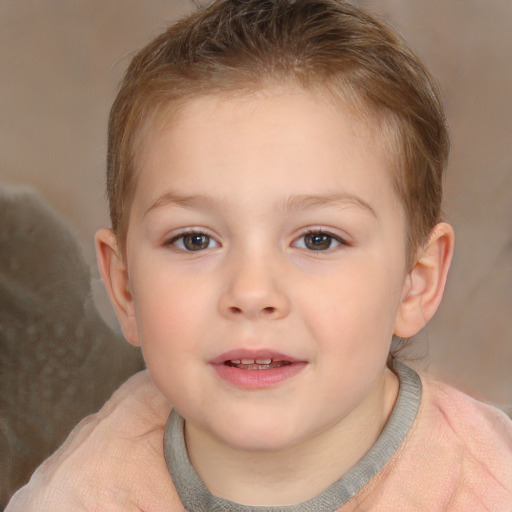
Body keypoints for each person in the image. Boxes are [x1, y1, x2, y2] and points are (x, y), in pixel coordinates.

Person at [6, 0, 512, 510]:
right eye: (194, 240)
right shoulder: (81, 493)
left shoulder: (489, 487)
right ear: (125, 286)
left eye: (318, 239)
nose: (251, 292)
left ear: (415, 281)